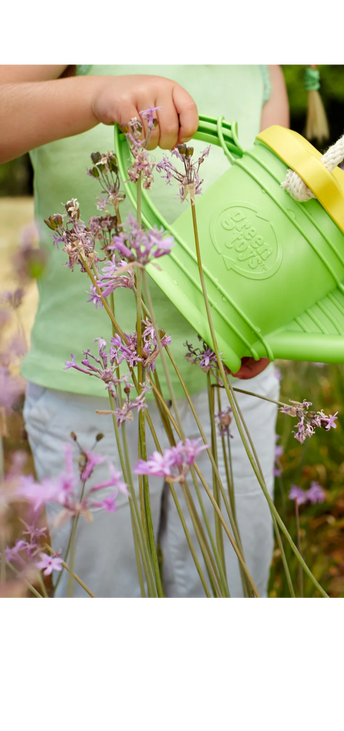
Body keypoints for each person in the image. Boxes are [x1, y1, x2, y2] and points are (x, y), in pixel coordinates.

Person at [0, 62, 289, 601]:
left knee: (230, 580)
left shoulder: (263, 69)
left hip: (231, 385)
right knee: (101, 585)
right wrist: (96, 96)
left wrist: (267, 319)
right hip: (92, 393)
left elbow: (274, 211)